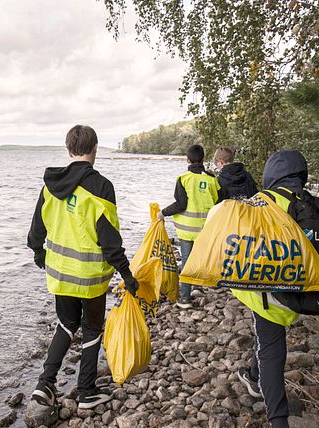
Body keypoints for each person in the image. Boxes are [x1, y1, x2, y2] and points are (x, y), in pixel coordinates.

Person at [231, 150, 319, 428]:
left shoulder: (261, 203)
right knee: (266, 343)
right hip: (306, 294)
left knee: (272, 350)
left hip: (269, 294)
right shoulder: (317, 207)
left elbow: (236, 242)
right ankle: (252, 374)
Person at [27, 124, 139, 411]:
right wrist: (126, 274)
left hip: (59, 273)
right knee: (91, 328)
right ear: (95, 150)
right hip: (89, 277)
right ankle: (86, 390)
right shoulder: (102, 187)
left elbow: (36, 229)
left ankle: (45, 384)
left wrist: (39, 253)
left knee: (65, 324)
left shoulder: (50, 185)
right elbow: (109, 238)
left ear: (68, 149)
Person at [157, 144, 220, 309]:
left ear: (188, 159)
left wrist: (163, 213)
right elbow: (219, 203)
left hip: (187, 229)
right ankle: (197, 287)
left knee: (186, 261)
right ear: (203, 158)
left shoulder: (184, 179)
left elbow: (180, 204)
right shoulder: (212, 179)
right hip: (206, 229)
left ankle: (185, 298)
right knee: (200, 259)